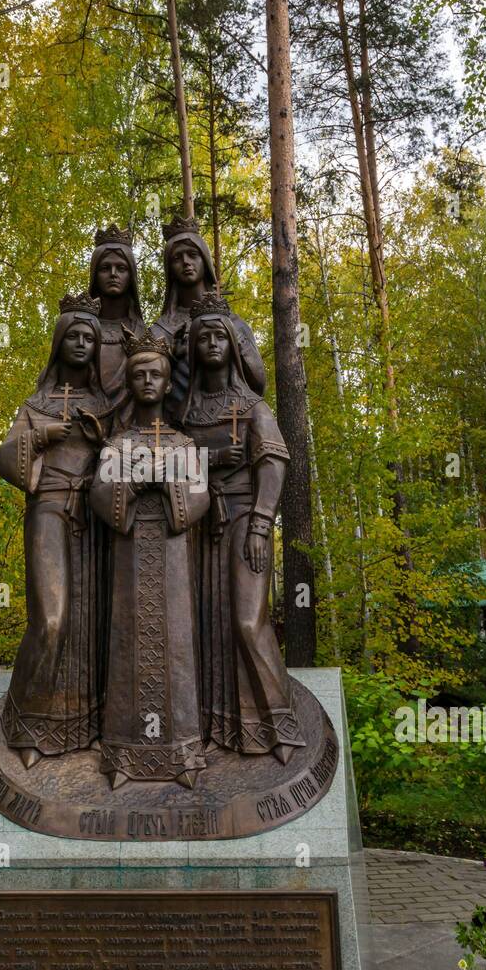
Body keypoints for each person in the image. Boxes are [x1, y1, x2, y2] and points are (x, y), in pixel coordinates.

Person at [180, 295, 305, 763]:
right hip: (196, 526)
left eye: (220, 336)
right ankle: (220, 727)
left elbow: (273, 462)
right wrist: (207, 461)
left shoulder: (252, 406)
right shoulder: (186, 410)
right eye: (203, 337)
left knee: (247, 620)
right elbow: (168, 463)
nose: (211, 344)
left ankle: (279, 726)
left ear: (233, 346)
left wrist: (260, 523)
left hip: (244, 523)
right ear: (192, 348)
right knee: (202, 624)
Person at [0, 294, 114, 765]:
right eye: (74, 337)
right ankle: (26, 726)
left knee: (95, 623)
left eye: (90, 338)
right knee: (52, 619)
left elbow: (131, 453)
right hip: (49, 509)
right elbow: (5, 458)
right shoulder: (36, 402)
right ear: (58, 344)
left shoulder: (106, 404)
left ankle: (88, 725)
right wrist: (40, 436)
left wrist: (105, 441)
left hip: (97, 518)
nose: (82, 344)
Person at [90, 328, 210, 788]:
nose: (146, 381)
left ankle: (182, 756)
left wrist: (168, 483)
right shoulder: (117, 444)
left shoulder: (182, 444)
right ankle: (124, 753)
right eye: (138, 373)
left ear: (166, 382)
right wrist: (134, 483)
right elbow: (101, 495)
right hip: (128, 565)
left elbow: (198, 498)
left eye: (154, 373)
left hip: (174, 563)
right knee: (127, 644)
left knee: (175, 646)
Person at [151, 216, 266, 413]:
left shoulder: (232, 322)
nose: (186, 262)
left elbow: (258, 383)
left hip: (229, 420)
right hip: (178, 426)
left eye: (192, 254)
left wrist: (233, 337)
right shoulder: (161, 329)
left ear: (204, 260)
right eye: (177, 258)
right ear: (169, 268)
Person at [87, 224, 145, 399]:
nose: (113, 274)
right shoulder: (81, 329)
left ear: (131, 276)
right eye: (105, 268)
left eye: (121, 268)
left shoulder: (142, 333)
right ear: (95, 275)